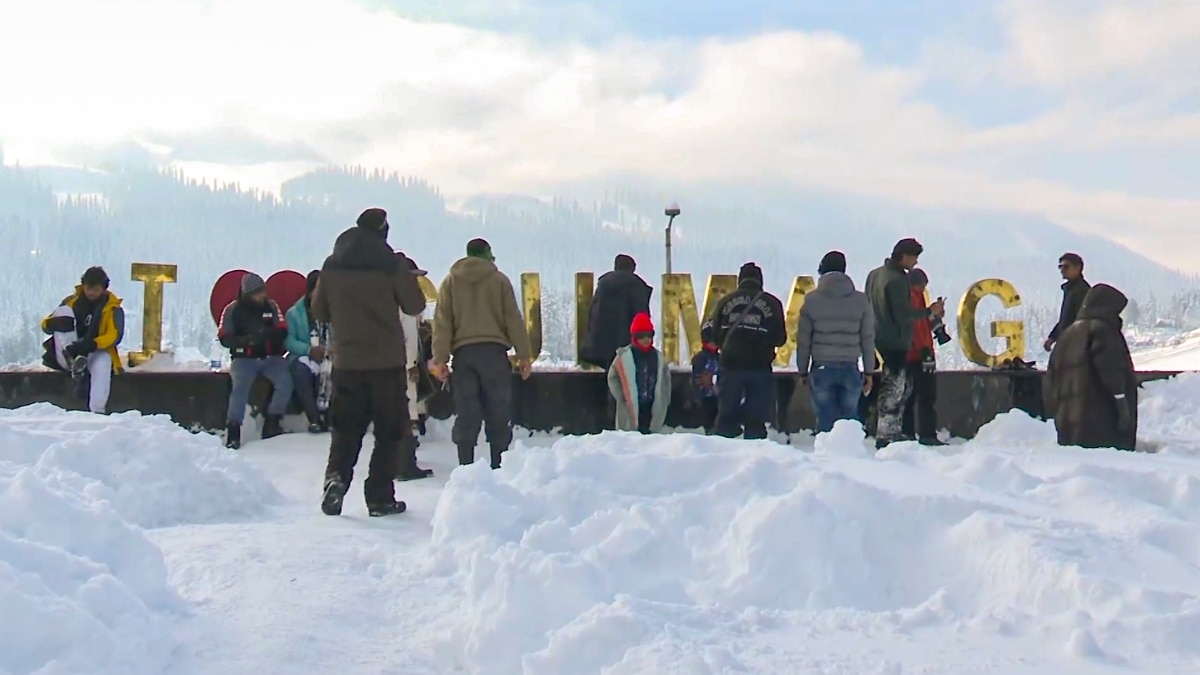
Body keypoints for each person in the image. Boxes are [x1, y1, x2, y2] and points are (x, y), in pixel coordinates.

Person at [312, 208, 427, 517]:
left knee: (346, 431)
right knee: (390, 431)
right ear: (383, 231)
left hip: (347, 363)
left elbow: (319, 311)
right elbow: (415, 305)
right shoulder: (390, 265)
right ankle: (379, 497)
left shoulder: (332, 264)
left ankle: (336, 479)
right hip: (386, 364)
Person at [432, 238, 533, 469]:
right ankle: (499, 465)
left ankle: (465, 465)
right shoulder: (499, 281)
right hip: (495, 354)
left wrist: (440, 359)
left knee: (467, 410)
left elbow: (442, 323)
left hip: (464, 356)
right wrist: (524, 354)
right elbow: (513, 319)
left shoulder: (450, 282)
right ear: (487, 253)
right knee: (498, 409)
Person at [865, 238, 946, 449]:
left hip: (877, 337)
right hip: (897, 340)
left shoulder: (874, 275)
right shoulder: (898, 280)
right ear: (905, 256)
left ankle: (887, 431)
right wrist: (929, 312)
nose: (915, 263)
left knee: (894, 387)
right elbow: (903, 315)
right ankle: (888, 434)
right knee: (895, 389)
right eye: (914, 258)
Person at [1044, 284, 1137, 451]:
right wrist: (1122, 404)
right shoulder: (1103, 331)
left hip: (1069, 427)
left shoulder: (1067, 335)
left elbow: (1051, 378)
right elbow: (1110, 370)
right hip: (1101, 425)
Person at [795, 251, 875, 434]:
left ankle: (826, 457)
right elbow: (868, 339)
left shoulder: (812, 300)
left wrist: (802, 371)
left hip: (822, 368)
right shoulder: (860, 300)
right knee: (850, 420)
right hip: (850, 367)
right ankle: (849, 456)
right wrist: (869, 371)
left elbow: (804, 340)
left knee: (825, 420)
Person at [705, 262, 786, 440]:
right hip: (760, 368)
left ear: (740, 280)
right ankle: (754, 459)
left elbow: (714, 335)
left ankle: (721, 458)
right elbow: (781, 339)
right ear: (760, 280)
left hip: (730, 366)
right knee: (756, 420)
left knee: (725, 418)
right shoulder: (773, 303)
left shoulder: (724, 302)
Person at [218, 272, 293, 450]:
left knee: (285, 383)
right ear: (247, 294)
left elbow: (282, 329)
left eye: (263, 291)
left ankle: (273, 420)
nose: (262, 296)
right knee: (239, 388)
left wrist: (267, 336)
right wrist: (244, 341)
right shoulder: (233, 310)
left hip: (270, 357)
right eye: (258, 293)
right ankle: (234, 429)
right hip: (245, 358)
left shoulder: (271, 307)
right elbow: (224, 336)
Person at [41, 266, 125, 414]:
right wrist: (52, 323)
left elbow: (114, 336)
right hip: (69, 350)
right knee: (63, 312)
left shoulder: (112, 309)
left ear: (104, 289)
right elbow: (46, 324)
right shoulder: (71, 302)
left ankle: (97, 410)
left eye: (96, 289)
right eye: (88, 288)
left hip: (95, 349)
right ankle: (74, 362)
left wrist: (92, 344)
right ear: (83, 286)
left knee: (103, 364)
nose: (91, 292)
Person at [394, 251, 434, 481]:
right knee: (406, 413)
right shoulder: (405, 303)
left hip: (389, 364)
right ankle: (405, 464)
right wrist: (412, 364)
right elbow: (407, 336)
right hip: (403, 366)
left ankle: (400, 462)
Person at [580, 254, 653, 369]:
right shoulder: (636, 284)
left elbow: (593, 314)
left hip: (601, 345)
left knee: (610, 376)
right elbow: (642, 316)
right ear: (632, 268)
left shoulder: (603, 284)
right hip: (626, 344)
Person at [900, 268, 944, 446]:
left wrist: (932, 314)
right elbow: (918, 327)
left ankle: (907, 433)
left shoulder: (909, 296)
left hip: (910, 354)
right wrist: (925, 351)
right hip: (919, 354)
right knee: (926, 397)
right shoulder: (913, 296)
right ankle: (927, 434)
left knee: (908, 397)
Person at [607, 313, 672, 433]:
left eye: (649, 335)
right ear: (635, 337)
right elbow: (612, 377)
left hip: (652, 406)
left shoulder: (658, 357)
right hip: (630, 407)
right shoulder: (624, 356)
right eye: (641, 336)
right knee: (629, 440)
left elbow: (666, 379)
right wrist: (621, 396)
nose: (646, 339)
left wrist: (665, 399)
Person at [284, 270, 327, 433]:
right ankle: (313, 418)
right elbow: (289, 340)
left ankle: (329, 415)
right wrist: (308, 350)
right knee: (301, 371)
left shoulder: (332, 311)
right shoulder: (294, 313)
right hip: (303, 355)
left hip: (327, 354)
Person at [1044, 253, 1091, 353]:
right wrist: (1052, 338)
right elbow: (1065, 319)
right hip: (1069, 342)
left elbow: (1079, 320)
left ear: (1078, 268)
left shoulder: (1081, 291)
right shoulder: (1071, 290)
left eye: (1066, 266)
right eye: (1060, 267)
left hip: (1075, 345)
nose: (1062, 270)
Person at [690, 324, 720, 434]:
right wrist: (697, 396)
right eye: (709, 341)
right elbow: (696, 379)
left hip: (718, 396)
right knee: (708, 421)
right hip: (705, 397)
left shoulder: (720, 358)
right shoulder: (700, 358)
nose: (712, 344)